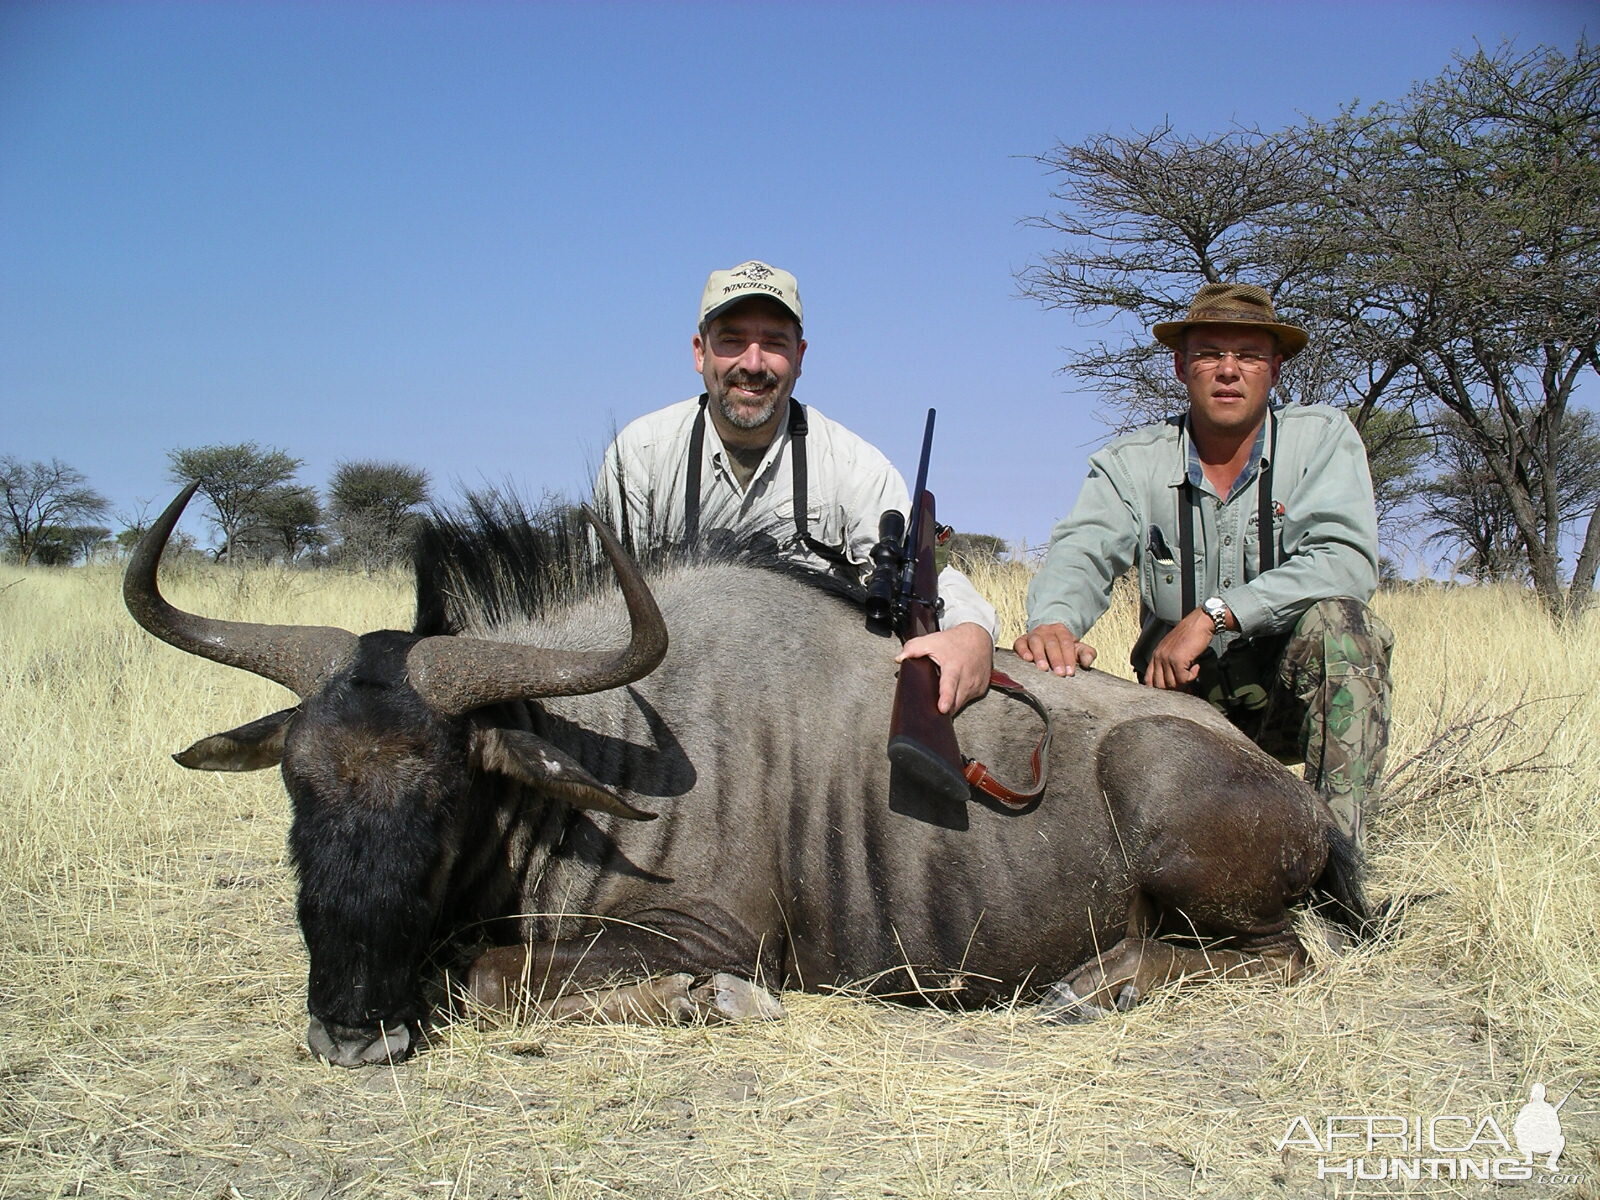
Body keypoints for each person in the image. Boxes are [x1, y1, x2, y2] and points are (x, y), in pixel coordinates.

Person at [1014, 282, 1392, 845]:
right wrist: (1053, 624)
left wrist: (1213, 615)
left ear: (1276, 368)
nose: (1228, 370)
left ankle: (1337, 871)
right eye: (1211, 353)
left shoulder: (1322, 439)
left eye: (1249, 356)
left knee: (1346, 630)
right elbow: (1082, 551)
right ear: (1180, 365)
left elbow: (1347, 562)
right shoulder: (1130, 462)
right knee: (1049, 682)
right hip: (1177, 702)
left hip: (1288, 703)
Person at [596, 259, 995, 715]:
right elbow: (599, 601)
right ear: (699, 352)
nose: (752, 363)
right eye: (731, 340)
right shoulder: (638, 456)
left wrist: (972, 632)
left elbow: (924, 580)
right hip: (673, 698)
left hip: (808, 709)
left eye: (773, 343)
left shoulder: (854, 466)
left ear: (800, 357)